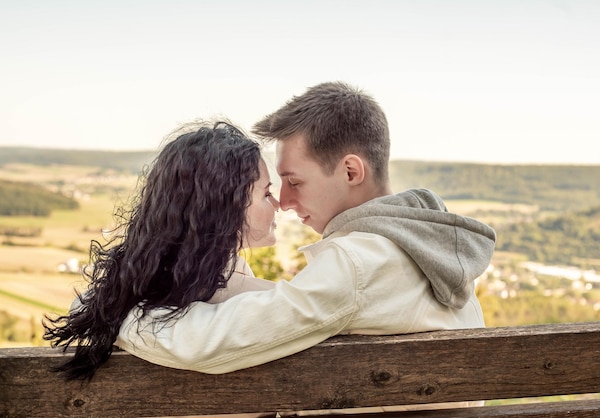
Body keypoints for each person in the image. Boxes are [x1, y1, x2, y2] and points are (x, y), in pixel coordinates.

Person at [112, 81, 497, 382]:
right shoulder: (423, 241)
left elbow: (208, 343)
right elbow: (307, 303)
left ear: (350, 172)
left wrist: (114, 313)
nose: (285, 200)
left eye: (294, 181)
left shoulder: (357, 263)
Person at [43, 120, 280, 380]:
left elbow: (83, 304)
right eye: (266, 194)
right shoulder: (246, 296)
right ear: (227, 209)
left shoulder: (147, 288)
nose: (278, 204)